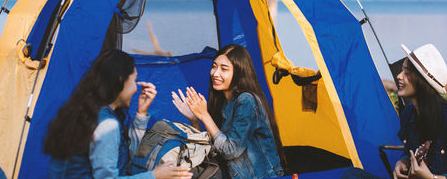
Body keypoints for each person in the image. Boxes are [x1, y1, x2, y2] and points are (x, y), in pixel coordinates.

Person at [44, 49, 192, 179]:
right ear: (121, 79)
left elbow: (123, 159)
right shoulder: (107, 124)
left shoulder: (86, 111)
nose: (135, 88)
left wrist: (141, 112)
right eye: (134, 80)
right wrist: (155, 175)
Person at [342, 44, 447, 179]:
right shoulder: (409, 113)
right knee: (352, 174)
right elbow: (409, 151)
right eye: (402, 70)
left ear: (422, 81)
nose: (399, 76)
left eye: (407, 73)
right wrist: (403, 161)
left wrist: (433, 178)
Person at [172, 44, 284, 179]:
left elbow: (230, 150)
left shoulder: (246, 101)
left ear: (239, 73)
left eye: (224, 69)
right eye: (214, 66)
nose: (215, 73)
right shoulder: (223, 102)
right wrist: (195, 119)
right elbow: (213, 149)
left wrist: (204, 115)